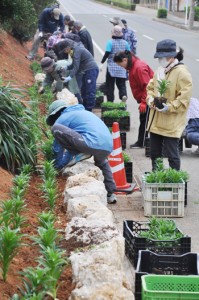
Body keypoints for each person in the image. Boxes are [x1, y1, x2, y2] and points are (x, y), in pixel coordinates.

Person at [46, 99, 117, 204]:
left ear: (58, 113)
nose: (56, 120)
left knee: (55, 128)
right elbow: (71, 146)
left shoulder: (62, 117)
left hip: (89, 144)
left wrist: (57, 165)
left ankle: (80, 153)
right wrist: (64, 164)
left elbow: (58, 147)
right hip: (107, 146)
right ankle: (110, 193)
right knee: (102, 162)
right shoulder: (82, 113)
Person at [146, 39, 193, 171]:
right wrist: (150, 100)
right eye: (158, 57)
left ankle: (174, 181)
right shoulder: (159, 71)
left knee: (172, 155)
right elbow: (150, 88)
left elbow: (184, 99)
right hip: (155, 120)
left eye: (162, 57)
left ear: (172, 57)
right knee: (155, 154)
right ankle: (156, 179)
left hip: (172, 122)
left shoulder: (182, 72)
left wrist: (169, 107)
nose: (160, 60)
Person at [114, 50, 154, 148]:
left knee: (145, 120)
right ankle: (143, 141)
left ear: (125, 60)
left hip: (149, 98)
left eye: (120, 65)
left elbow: (147, 86)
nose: (121, 67)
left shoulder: (138, 67)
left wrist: (144, 102)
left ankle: (142, 142)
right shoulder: (133, 65)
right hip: (145, 98)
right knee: (145, 119)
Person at [58, 38, 99, 111]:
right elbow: (73, 65)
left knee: (89, 92)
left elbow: (76, 67)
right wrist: (65, 68)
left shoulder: (77, 50)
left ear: (67, 47)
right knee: (83, 91)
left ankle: (89, 111)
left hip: (91, 70)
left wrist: (69, 77)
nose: (64, 52)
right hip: (85, 71)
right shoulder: (72, 51)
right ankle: (85, 109)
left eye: (64, 50)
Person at [100, 26, 130, 103]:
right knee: (122, 84)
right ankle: (123, 95)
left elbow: (107, 53)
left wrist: (102, 62)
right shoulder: (125, 43)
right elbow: (128, 54)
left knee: (110, 85)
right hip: (122, 67)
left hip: (111, 67)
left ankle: (110, 101)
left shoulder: (110, 42)